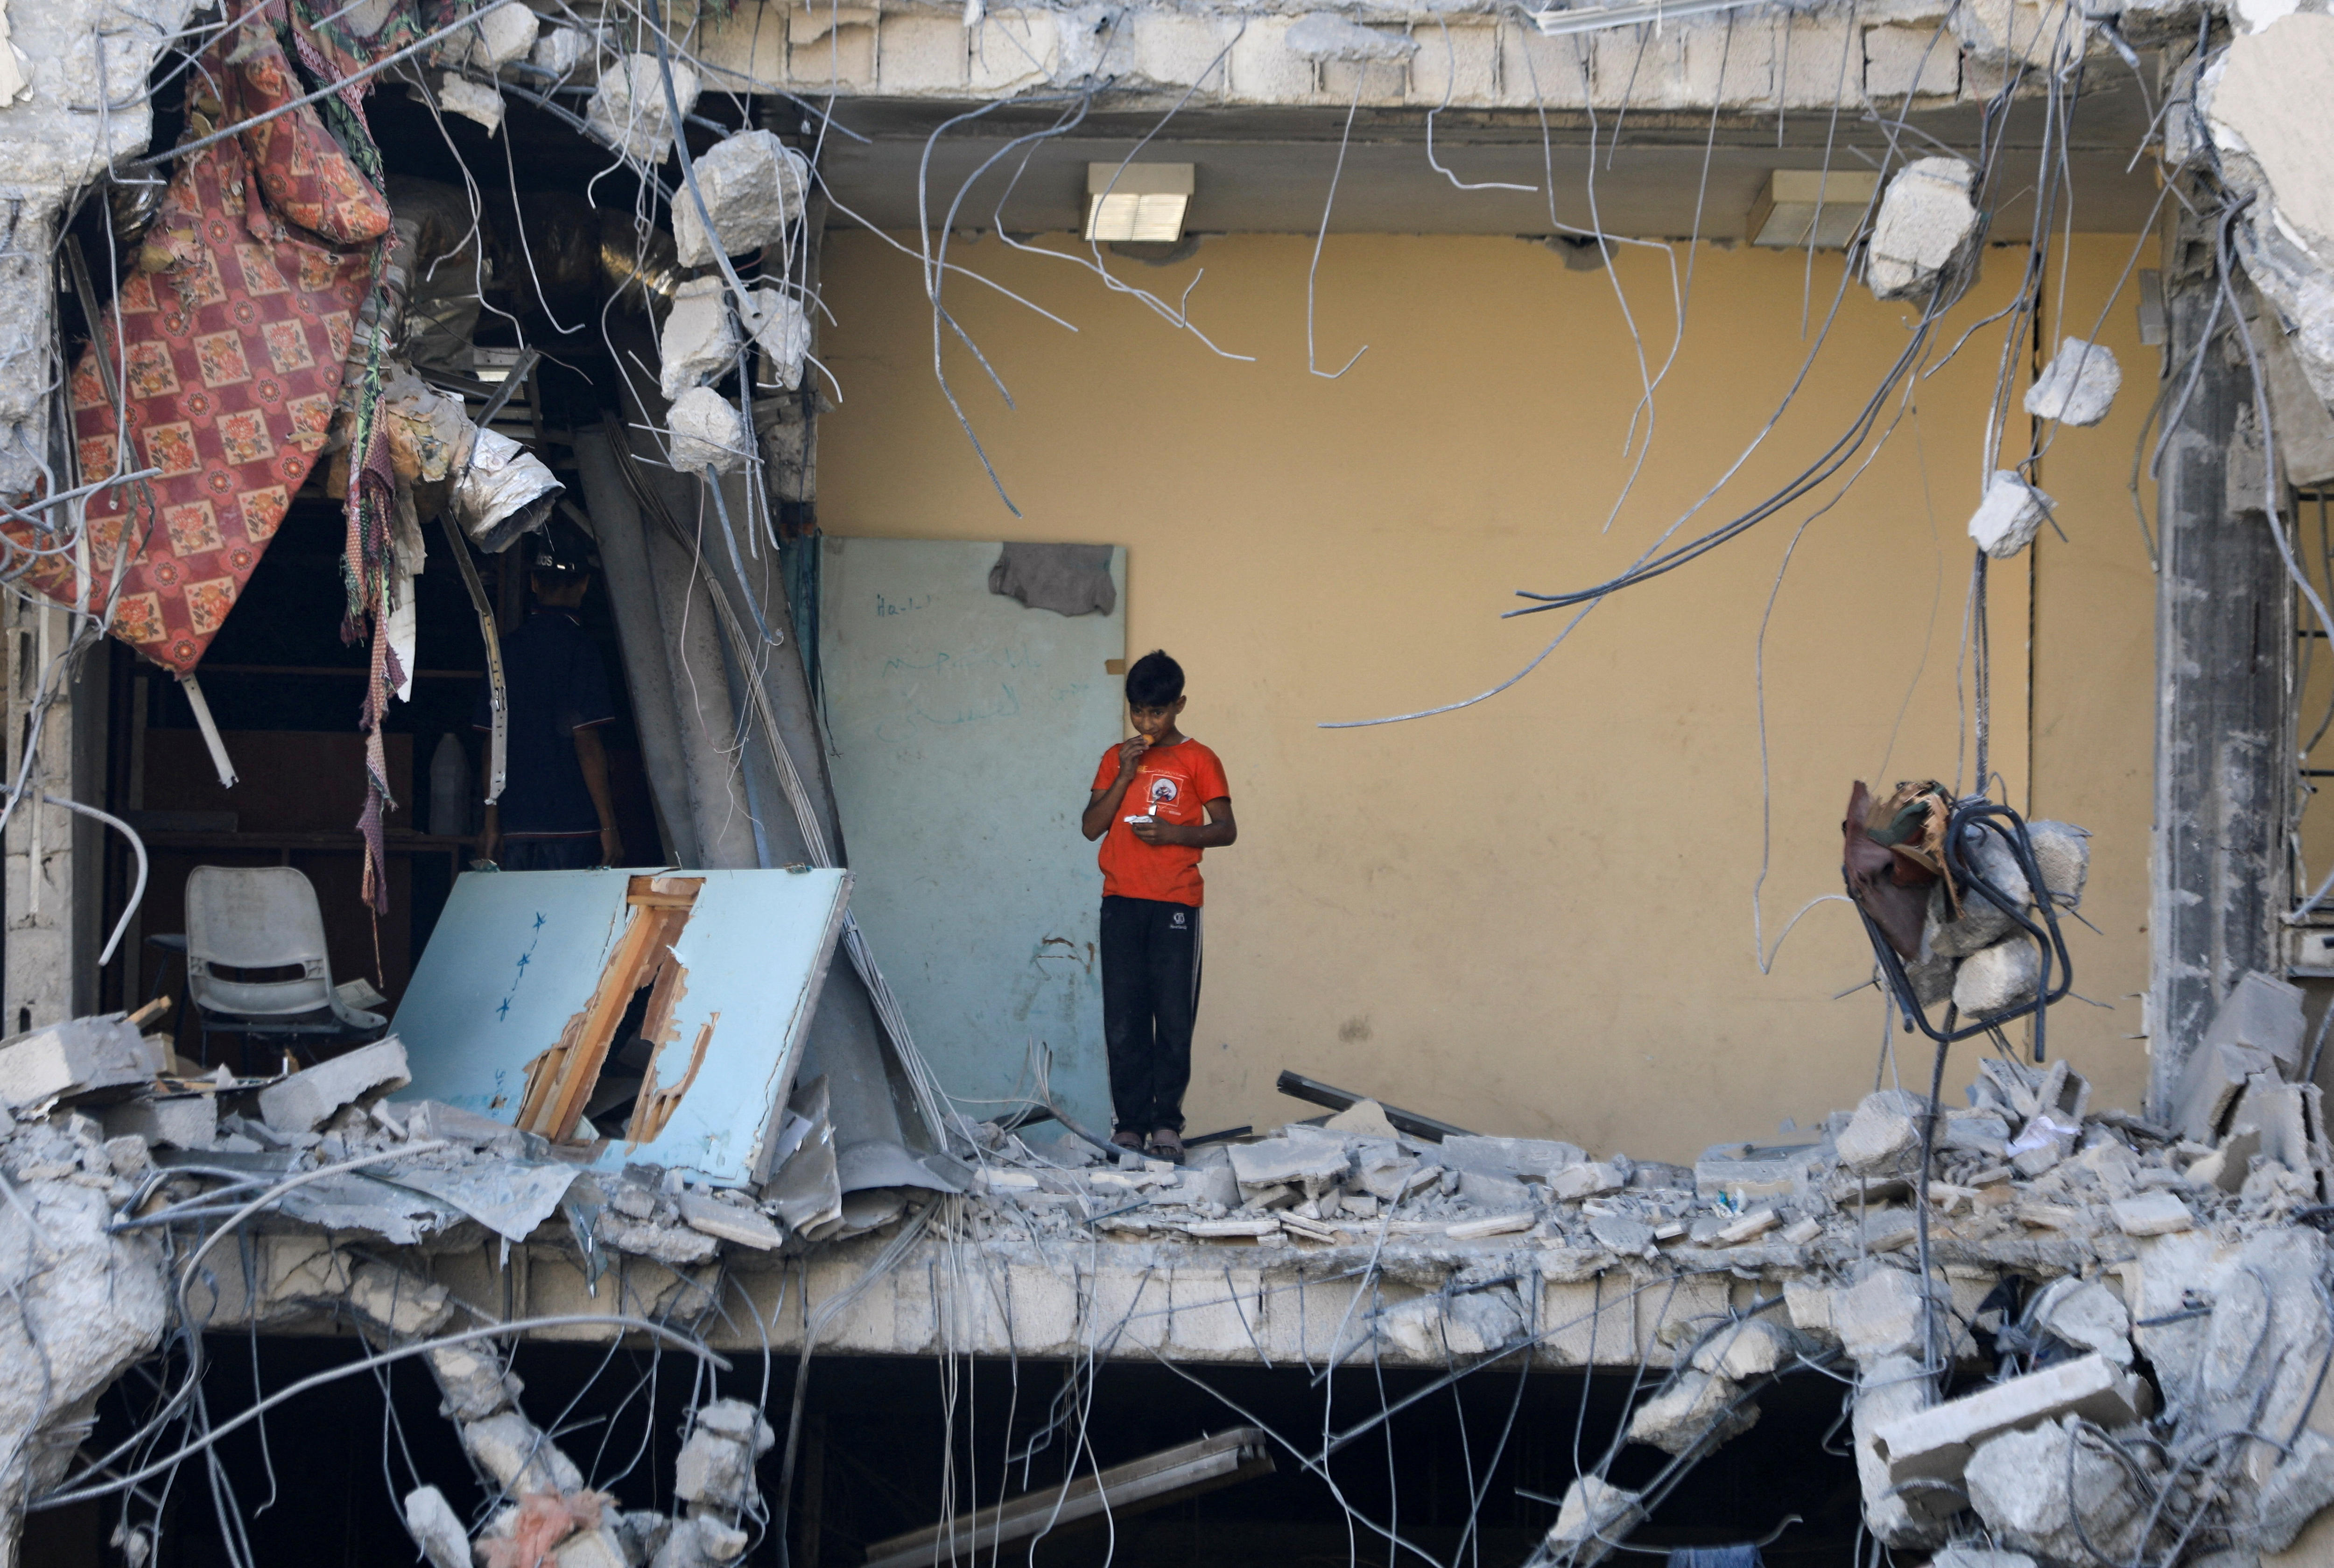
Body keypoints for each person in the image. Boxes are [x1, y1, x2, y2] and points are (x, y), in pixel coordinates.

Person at [1079, 650, 1236, 1163]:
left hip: (1174, 904)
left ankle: (1167, 1124)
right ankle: (1129, 1126)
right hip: (1120, 901)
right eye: (1138, 711)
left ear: (1179, 705)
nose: (1146, 723)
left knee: (1171, 1018)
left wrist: (1173, 833)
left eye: (1157, 712)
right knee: (1123, 1019)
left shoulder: (1199, 759)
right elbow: (1090, 826)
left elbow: (1226, 828)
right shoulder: (1114, 757)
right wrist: (1124, 776)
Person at [472, 526, 624, 871]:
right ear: (585, 585)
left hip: (515, 827)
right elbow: (586, 741)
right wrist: (608, 827)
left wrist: (491, 823)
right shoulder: (582, 650)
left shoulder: (505, 652)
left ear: (535, 585)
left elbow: (490, 747)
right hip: (574, 828)